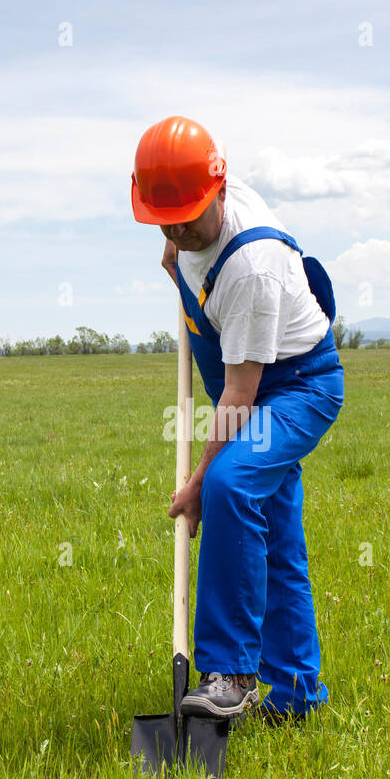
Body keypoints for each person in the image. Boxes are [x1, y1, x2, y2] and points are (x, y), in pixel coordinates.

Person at [130, 115, 344, 721]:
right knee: (276, 539)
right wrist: (177, 255)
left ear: (220, 193)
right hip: (245, 371)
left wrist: (197, 484)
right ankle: (297, 696)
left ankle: (233, 673)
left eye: (188, 220)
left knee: (229, 484)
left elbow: (239, 396)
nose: (176, 230)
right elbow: (177, 223)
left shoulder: (252, 264)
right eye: (161, 219)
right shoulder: (188, 203)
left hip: (297, 385)